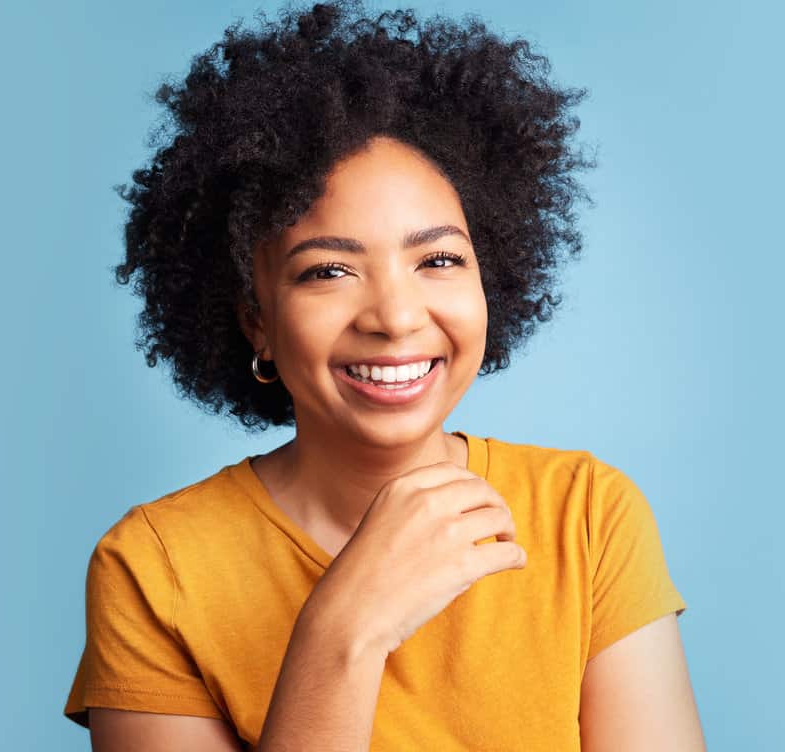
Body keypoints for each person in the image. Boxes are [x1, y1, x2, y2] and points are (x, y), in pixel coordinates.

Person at [63, 1, 706, 749]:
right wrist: (345, 628)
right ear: (256, 320)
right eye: (328, 270)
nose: (396, 317)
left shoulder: (587, 517)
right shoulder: (154, 567)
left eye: (438, 260)